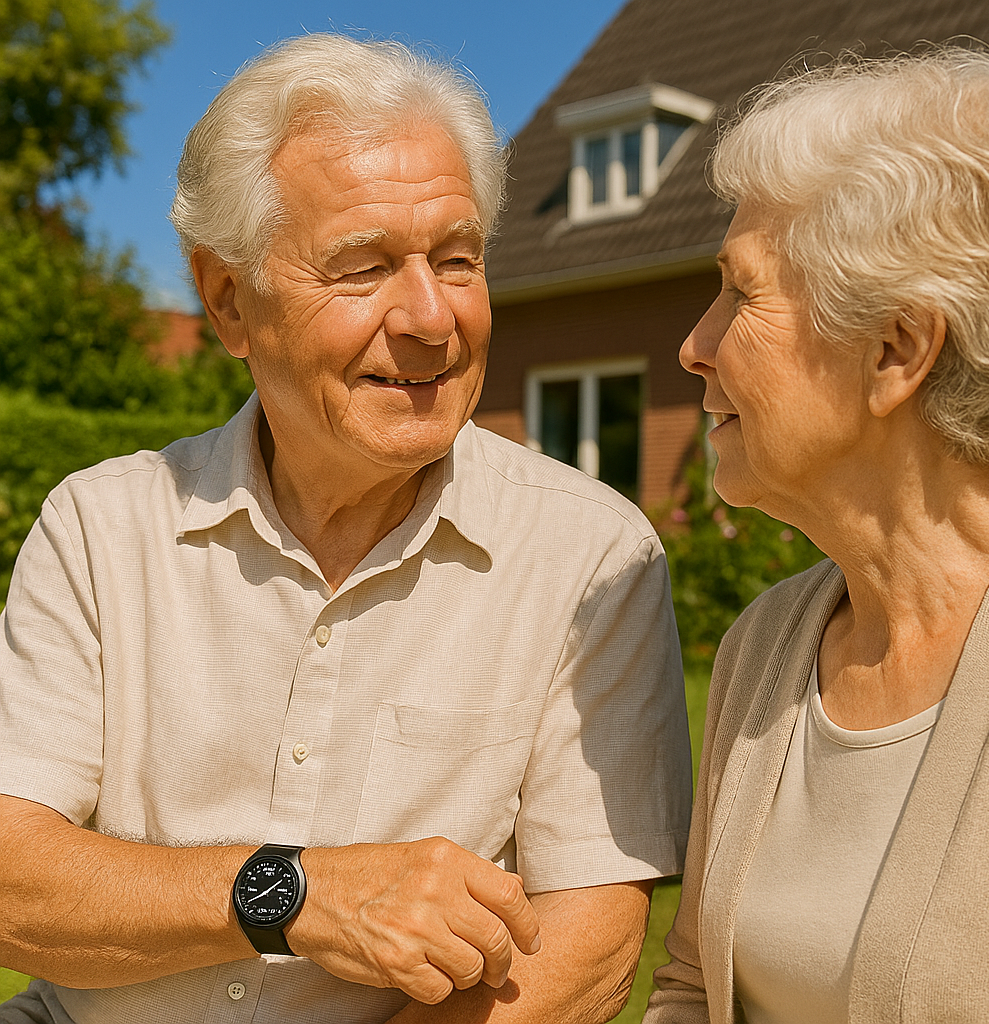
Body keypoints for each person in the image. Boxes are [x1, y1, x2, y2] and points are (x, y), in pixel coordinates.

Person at [0, 33, 690, 1024]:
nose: (430, 318)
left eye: (457, 259)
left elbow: (584, 947)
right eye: (362, 268)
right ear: (229, 303)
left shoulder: (593, 556)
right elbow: (12, 880)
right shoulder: (100, 528)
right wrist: (297, 895)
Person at [644, 46, 989, 1024]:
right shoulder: (764, 649)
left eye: (740, 293)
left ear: (896, 348)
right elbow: (689, 986)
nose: (693, 345)